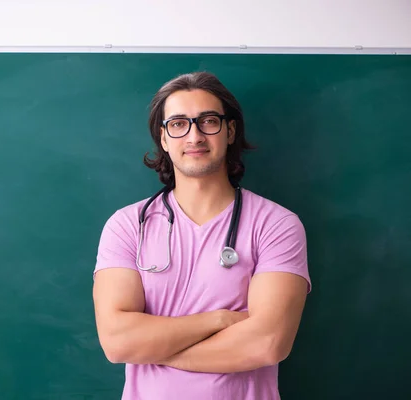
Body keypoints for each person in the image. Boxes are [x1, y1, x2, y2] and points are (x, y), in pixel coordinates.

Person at [92, 71, 311, 400]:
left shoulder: (276, 225)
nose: (194, 136)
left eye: (208, 121)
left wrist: (154, 351)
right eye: (178, 124)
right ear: (164, 139)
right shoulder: (127, 225)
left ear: (229, 131)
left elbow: (266, 344)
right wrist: (221, 320)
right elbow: (118, 342)